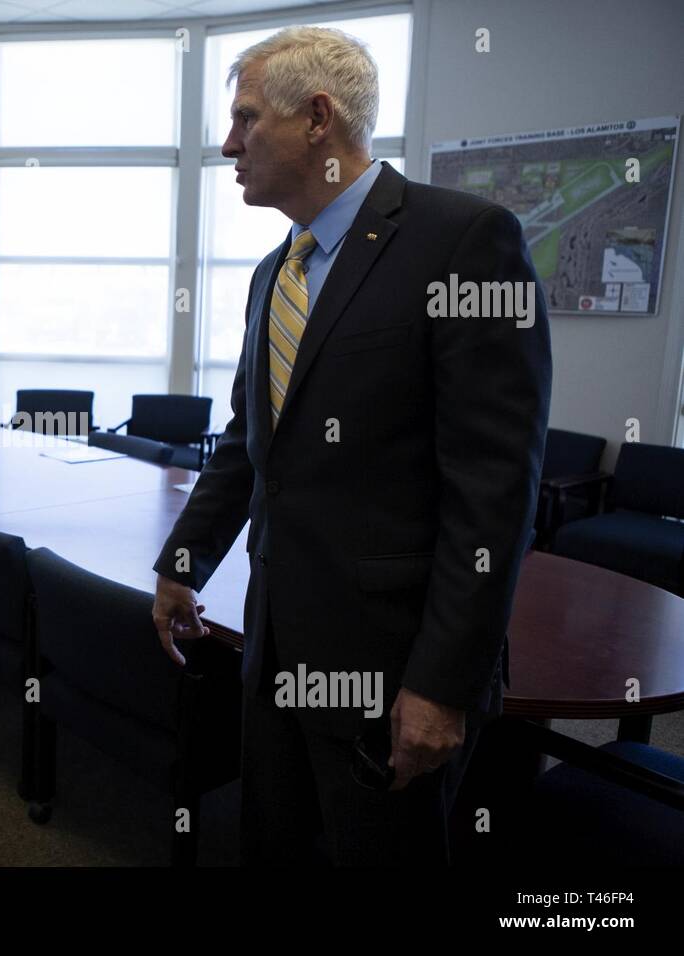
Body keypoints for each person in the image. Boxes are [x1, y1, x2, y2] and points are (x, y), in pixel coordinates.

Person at [150, 26, 551, 865]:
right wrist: (182, 562)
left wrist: (440, 686)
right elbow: (249, 442)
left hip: (393, 669)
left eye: (246, 119)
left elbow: (493, 488)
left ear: (318, 118)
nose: (228, 145)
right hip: (276, 647)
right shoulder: (276, 271)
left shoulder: (466, 241)